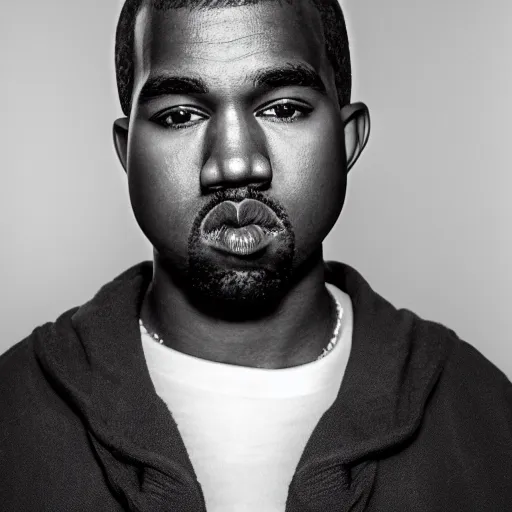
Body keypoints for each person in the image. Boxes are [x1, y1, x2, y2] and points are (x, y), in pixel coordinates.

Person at [1, 0, 511, 510]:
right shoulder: (13, 412)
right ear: (126, 151)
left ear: (347, 137)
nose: (236, 162)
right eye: (180, 115)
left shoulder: (484, 411)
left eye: (284, 108)